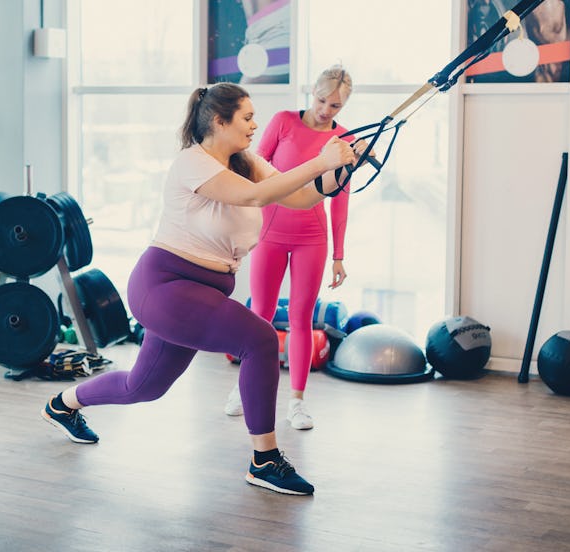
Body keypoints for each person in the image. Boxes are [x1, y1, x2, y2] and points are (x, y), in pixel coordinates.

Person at [41, 82, 355, 496]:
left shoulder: (247, 161)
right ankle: (264, 460)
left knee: (144, 386)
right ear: (218, 121)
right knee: (260, 339)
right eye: (246, 117)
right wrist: (320, 161)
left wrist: (340, 168)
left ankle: (62, 404)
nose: (254, 125)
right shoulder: (192, 163)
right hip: (165, 285)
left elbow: (297, 196)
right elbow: (258, 197)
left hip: (200, 293)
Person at [223, 65, 369, 430]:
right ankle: (244, 389)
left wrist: (339, 256)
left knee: (302, 317)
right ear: (312, 92)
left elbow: (340, 198)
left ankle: (297, 402)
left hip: (312, 238)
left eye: (335, 106)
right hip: (271, 232)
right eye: (321, 100)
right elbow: (252, 170)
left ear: (344, 105)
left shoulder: (343, 141)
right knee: (261, 315)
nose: (325, 110)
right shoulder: (283, 121)